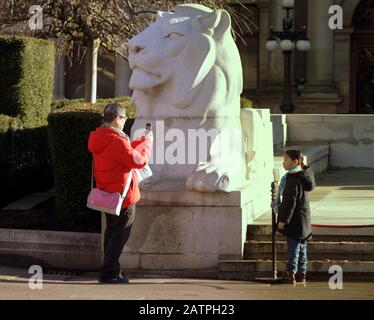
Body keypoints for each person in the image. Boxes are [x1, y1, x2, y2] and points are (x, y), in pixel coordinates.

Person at [88, 103, 153, 284]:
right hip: (123, 196)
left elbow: (123, 153)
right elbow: (139, 161)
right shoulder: (116, 140)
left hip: (107, 194)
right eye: (124, 119)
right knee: (119, 234)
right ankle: (109, 273)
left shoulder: (101, 136)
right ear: (117, 119)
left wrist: (139, 142)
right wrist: (147, 143)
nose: (125, 122)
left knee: (111, 233)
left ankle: (110, 270)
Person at [274, 149, 316, 284]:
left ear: (295, 162)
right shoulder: (303, 176)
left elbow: (289, 202)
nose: (283, 162)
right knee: (302, 247)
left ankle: (290, 273)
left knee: (294, 247)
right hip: (303, 218)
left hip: (294, 219)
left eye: (286, 159)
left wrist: (282, 220)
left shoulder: (292, 178)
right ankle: (301, 273)